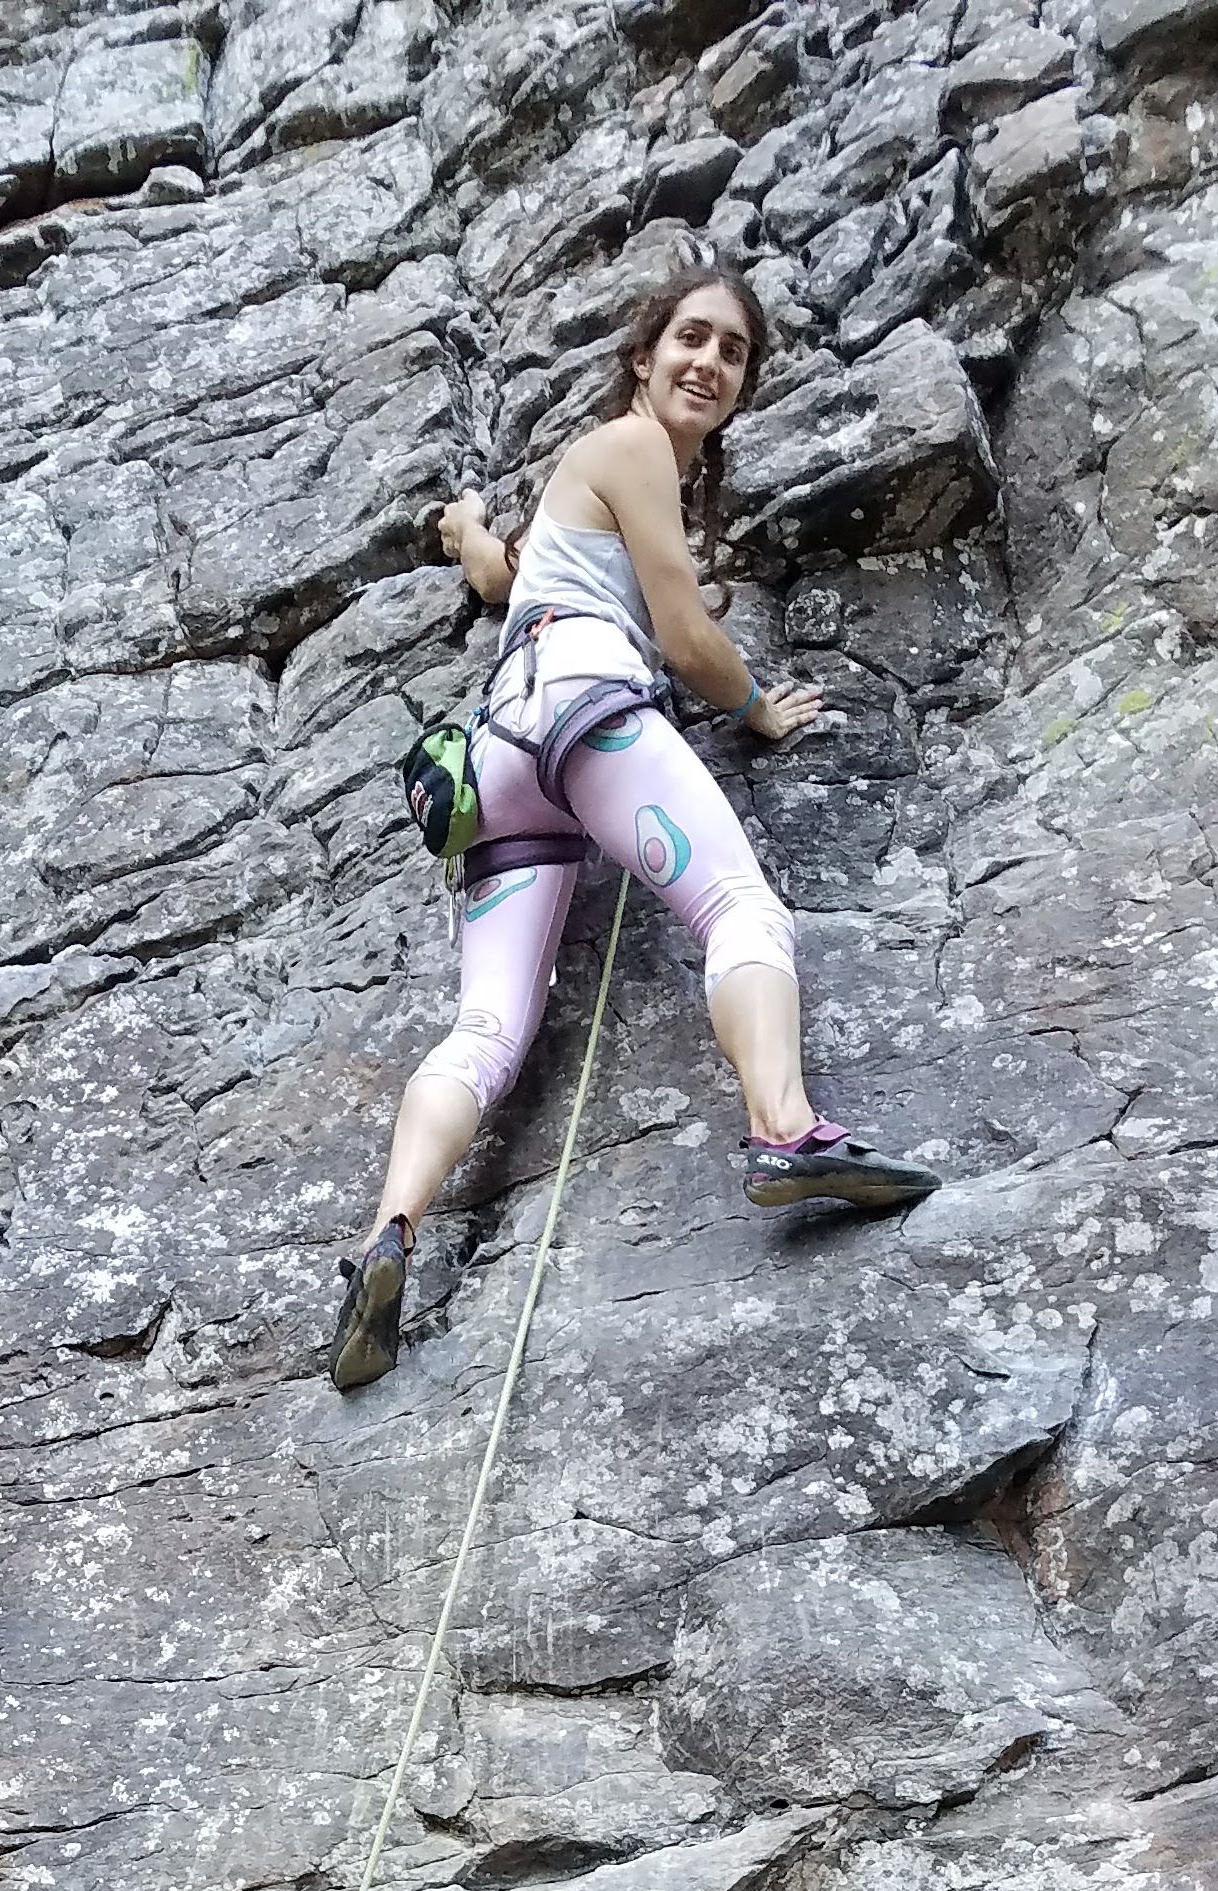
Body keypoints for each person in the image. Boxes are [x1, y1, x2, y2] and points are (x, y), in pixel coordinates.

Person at [330, 245, 940, 1394]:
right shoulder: (634, 447)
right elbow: (684, 635)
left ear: (744, 384)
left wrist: (464, 525)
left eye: (733, 351)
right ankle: (785, 1131)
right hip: (587, 715)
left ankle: (388, 1235)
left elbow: (497, 574)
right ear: (644, 358)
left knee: (486, 1032)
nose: (709, 362)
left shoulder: (590, 478)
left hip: (500, 768)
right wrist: (757, 708)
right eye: (692, 338)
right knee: (740, 908)